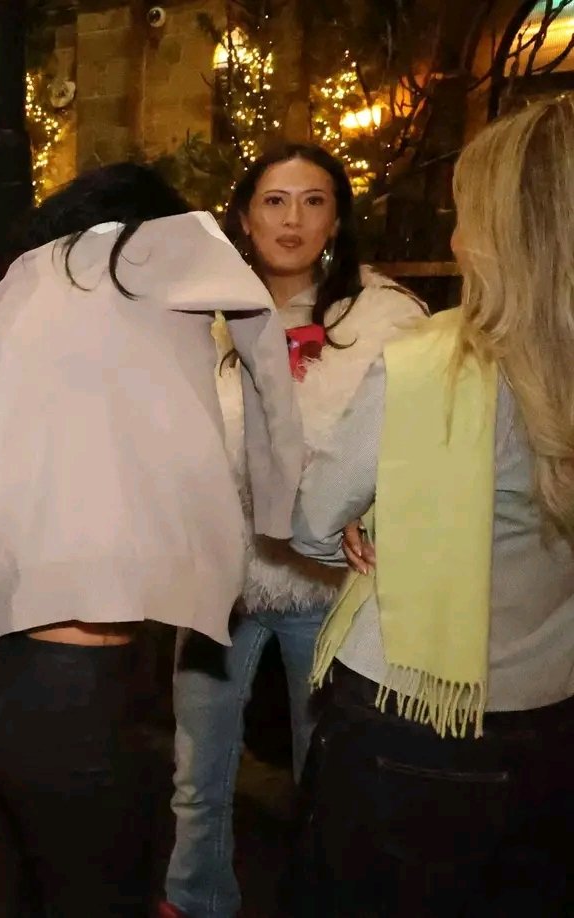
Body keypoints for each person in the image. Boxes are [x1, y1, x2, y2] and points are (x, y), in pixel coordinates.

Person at [0, 163, 304, 918]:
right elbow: (268, 366)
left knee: (13, 882)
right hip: (84, 679)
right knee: (99, 891)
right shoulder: (175, 251)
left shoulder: (22, 287)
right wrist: (280, 516)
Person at [290, 95, 574, 917]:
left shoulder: (424, 364)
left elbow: (313, 520)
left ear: (498, 231)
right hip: (552, 715)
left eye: (464, 217)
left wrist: (369, 522)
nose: (452, 240)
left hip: (408, 715)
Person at [164, 145, 427, 918]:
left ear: (336, 219)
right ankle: (195, 899)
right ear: (244, 218)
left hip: (326, 585)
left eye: (314, 201)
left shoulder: (383, 321)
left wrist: (375, 516)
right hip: (219, 581)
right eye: (275, 201)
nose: (293, 219)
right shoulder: (199, 318)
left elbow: (415, 446)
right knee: (197, 769)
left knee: (328, 771)